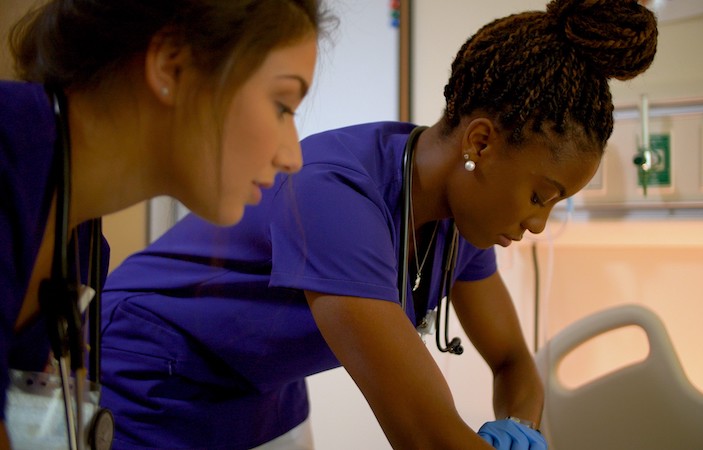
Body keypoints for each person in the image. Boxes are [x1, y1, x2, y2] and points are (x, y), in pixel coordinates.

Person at [99, 0, 658, 448]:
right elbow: (425, 435)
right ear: (480, 142)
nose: (538, 224)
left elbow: (513, 362)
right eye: (541, 196)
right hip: (158, 365)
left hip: (262, 386)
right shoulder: (336, 192)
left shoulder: (459, 226)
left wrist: (521, 429)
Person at [1, 0, 328, 448]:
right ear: (172, 66)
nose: (292, 156)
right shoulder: (10, 154)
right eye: (282, 105)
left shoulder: (80, 243)